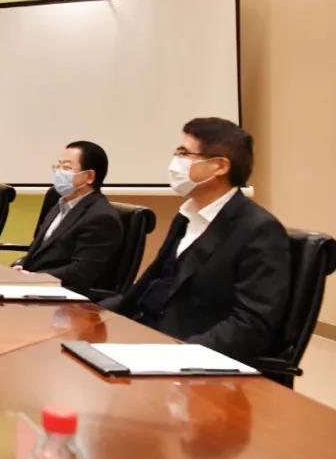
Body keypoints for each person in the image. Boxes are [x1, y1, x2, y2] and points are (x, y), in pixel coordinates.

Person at [102, 118, 290, 361]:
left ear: (219, 166)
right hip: (142, 336)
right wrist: (96, 314)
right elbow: (153, 282)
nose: (175, 162)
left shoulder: (259, 230)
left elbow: (252, 324)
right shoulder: (186, 216)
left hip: (184, 353)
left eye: (184, 153)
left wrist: (177, 354)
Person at [13, 141, 123, 290]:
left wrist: (35, 278)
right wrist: (20, 266)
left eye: (66, 168)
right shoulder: (60, 204)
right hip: (35, 284)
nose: (58, 173)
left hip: (63, 293)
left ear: (89, 176)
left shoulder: (101, 218)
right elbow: (39, 251)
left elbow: (81, 272)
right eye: (58, 166)